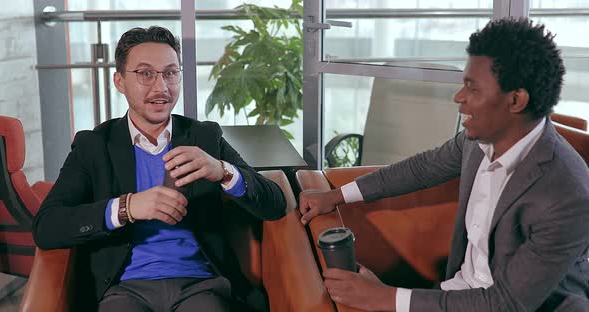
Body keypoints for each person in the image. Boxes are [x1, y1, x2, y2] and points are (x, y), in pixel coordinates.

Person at [299, 18, 589, 312]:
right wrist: (335, 196)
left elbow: (508, 303)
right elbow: (421, 169)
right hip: (458, 293)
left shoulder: (568, 194)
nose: (458, 98)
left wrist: (384, 297)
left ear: (516, 100)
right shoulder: (479, 141)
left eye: (472, 89)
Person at [32, 26, 286, 311]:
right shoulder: (94, 145)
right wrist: (127, 207)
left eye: (170, 73)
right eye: (145, 73)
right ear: (119, 81)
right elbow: (47, 227)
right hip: (122, 290)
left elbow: (275, 204)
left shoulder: (204, 136)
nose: (161, 87)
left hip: (201, 287)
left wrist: (223, 171)